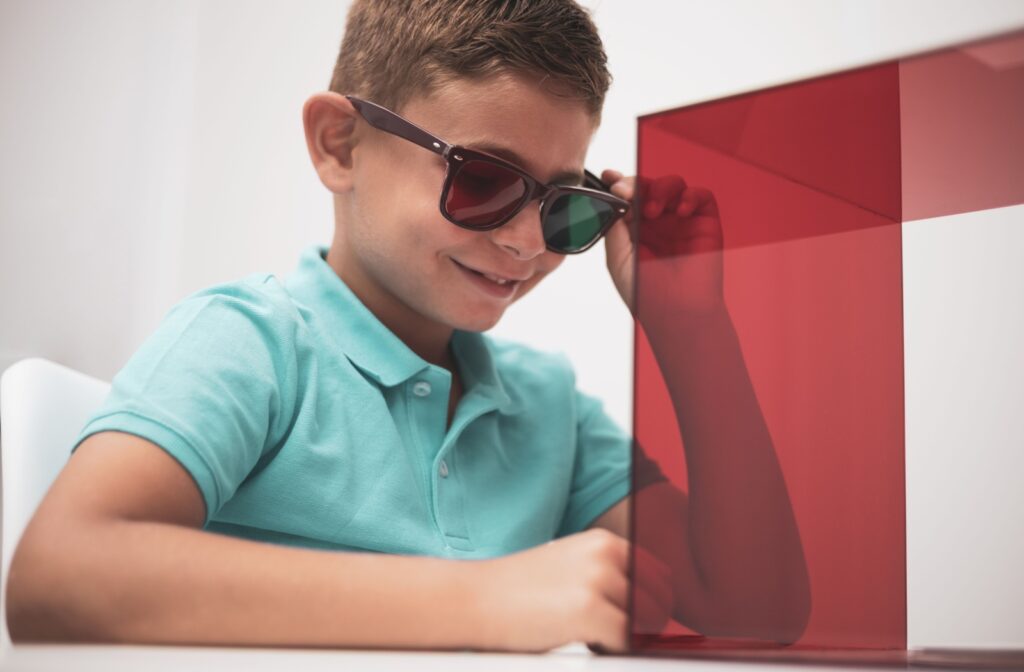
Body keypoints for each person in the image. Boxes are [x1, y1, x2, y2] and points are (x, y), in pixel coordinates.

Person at [6, 0, 810, 654]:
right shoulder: (250, 343)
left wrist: (691, 327)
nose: (528, 242)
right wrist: (489, 600)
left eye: (568, 208)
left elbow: (757, 611)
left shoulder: (549, 409)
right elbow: (57, 577)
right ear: (340, 144)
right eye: (486, 179)